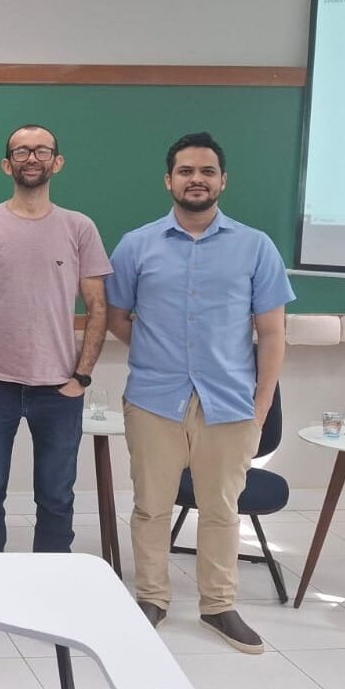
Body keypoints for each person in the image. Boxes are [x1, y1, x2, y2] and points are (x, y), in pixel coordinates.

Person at [106, 130, 293, 655]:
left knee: (221, 510)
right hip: (153, 398)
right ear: (169, 180)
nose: (196, 180)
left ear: (222, 181)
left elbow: (272, 333)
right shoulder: (136, 244)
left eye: (207, 171)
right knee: (151, 507)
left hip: (229, 402)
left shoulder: (256, 246)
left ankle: (218, 606)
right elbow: (116, 317)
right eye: (186, 171)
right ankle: (152, 598)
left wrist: (261, 405)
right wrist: (156, 350)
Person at [0, 124, 111, 638]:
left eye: (42, 150)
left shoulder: (80, 227)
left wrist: (82, 375)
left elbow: (98, 306)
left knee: (56, 497)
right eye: (21, 151)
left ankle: (50, 595)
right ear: (7, 164)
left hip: (58, 389)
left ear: (57, 162)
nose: (31, 158)